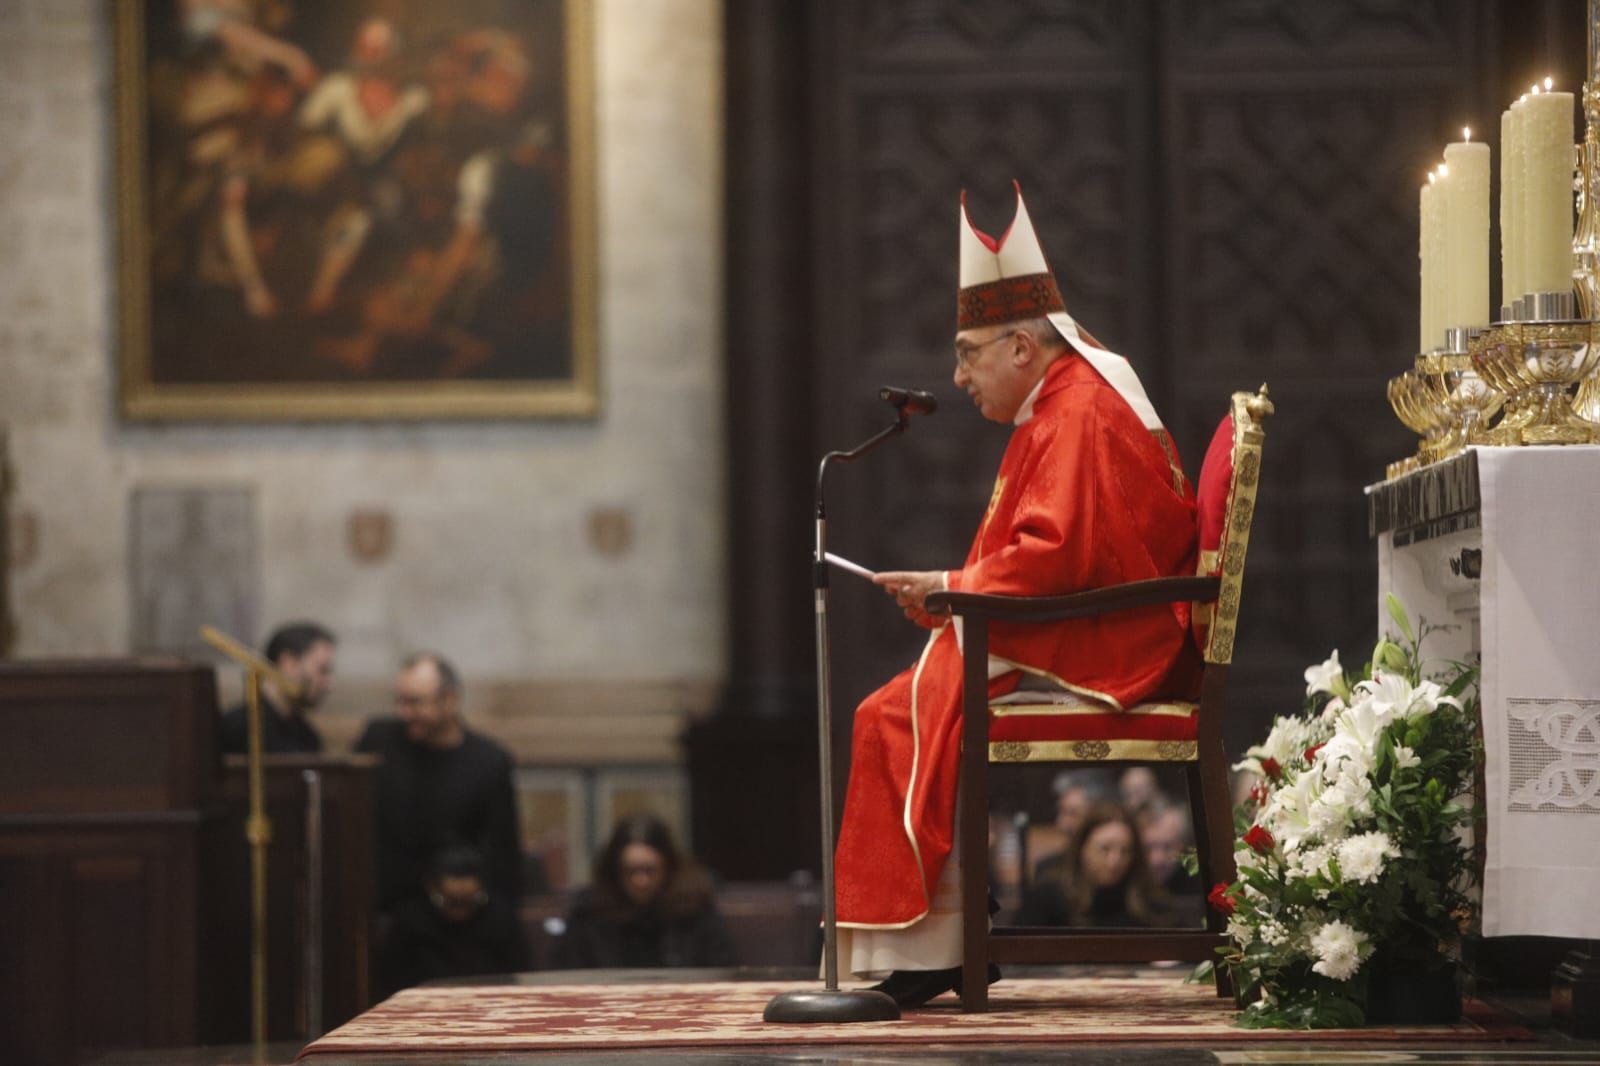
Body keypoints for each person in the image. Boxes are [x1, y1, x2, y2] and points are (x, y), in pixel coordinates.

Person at [832, 182, 1200, 1008]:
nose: (956, 375)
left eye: (968, 352)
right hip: (1107, 614)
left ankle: (933, 946)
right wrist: (952, 593)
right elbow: (1059, 551)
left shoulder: (1072, 414)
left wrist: (954, 590)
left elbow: (1058, 557)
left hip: (1115, 635)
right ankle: (949, 936)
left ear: (1023, 350)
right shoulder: (1064, 400)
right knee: (908, 701)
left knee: (892, 714)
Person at [356, 652, 522, 912]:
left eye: (415, 703)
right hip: (386, 910)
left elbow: (502, 857)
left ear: (450, 700)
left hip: (454, 915)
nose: (405, 713)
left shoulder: (489, 761)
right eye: (400, 701)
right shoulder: (379, 741)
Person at [552, 813, 737, 970]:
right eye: (630, 871)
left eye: (650, 870)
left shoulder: (695, 910)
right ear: (614, 871)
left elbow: (722, 973)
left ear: (668, 868)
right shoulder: (588, 913)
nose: (640, 881)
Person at [377, 843, 530, 997]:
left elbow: (521, 975)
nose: (460, 911)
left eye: (468, 902)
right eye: (452, 902)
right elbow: (391, 983)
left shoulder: (500, 918)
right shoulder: (410, 922)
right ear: (432, 889)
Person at [1016, 804, 1171, 928]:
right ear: (1082, 849)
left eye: (1126, 851)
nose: (1114, 861)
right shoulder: (1048, 896)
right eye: (1104, 849)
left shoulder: (1147, 899)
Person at [218, 621, 336, 754]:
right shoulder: (235, 729)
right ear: (289, 663)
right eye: (322, 670)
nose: (328, 684)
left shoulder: (307, 737)